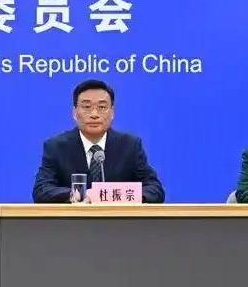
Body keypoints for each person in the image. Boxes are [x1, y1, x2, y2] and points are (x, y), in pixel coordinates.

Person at [32, 79, 164, 203]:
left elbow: (155, 189)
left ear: (112, 112)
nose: (94, 114)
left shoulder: (130, 145)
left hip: (118, 218)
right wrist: (78, 195)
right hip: (74, 219)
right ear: (74, 113)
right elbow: (41, 190)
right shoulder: (56, 147)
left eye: (101, 107)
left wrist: (121, 196)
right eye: (86, 107)